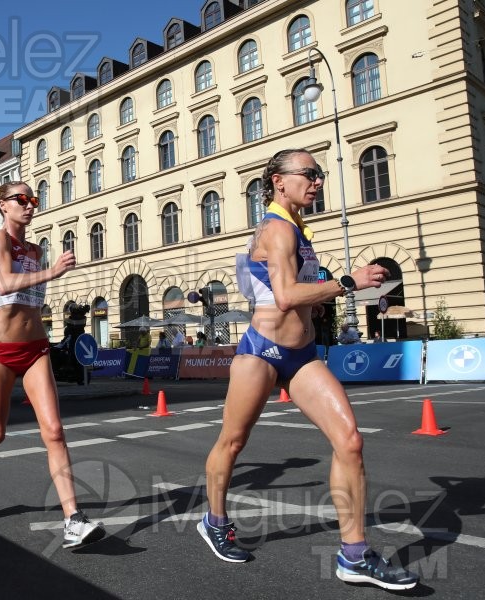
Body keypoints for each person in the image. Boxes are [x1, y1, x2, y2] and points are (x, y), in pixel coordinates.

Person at [199, 149, 418, 590]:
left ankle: (354, 554)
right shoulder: (278, 228)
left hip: (302, 356)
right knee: (233, 440)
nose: (317, 181)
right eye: (309, 174)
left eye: (320, 175)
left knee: (350, 441)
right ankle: (214, 520)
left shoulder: (299, 230)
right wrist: (350, 282)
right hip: (261, 351)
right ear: (279, 181)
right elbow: (283, 296)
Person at [0, 181, 105, 549]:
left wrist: (49, 275)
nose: (29, 205)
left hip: (36, 348)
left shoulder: (36, 250)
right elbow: (6, 283)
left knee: (54, 431)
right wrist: (52, 273)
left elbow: (31, 298)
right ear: (4, 206)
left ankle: (73, 518)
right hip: (1, 351)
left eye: (33, 199)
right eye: (21, 200)